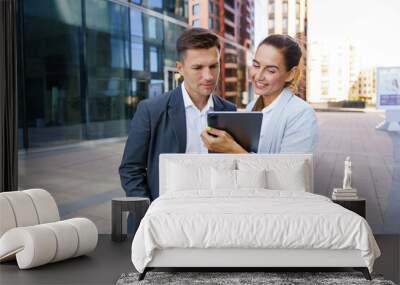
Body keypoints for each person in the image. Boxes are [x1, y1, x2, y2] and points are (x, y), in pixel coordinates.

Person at [119, 28, 236, 201]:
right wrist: (151, 211)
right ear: (180, 68)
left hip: (215, 213)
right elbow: (130, 169)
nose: (208, 76)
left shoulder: (229, 110)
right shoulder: (150, 110)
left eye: (213, 66)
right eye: (197, 67)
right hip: (166, 215)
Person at [201, 34, 318, 153]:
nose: (258, 76)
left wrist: (232, 149)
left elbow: (288, 170)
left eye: (271, 70)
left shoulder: (302, 114)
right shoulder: (251, 107)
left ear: (290, 74)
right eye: (256, 65)